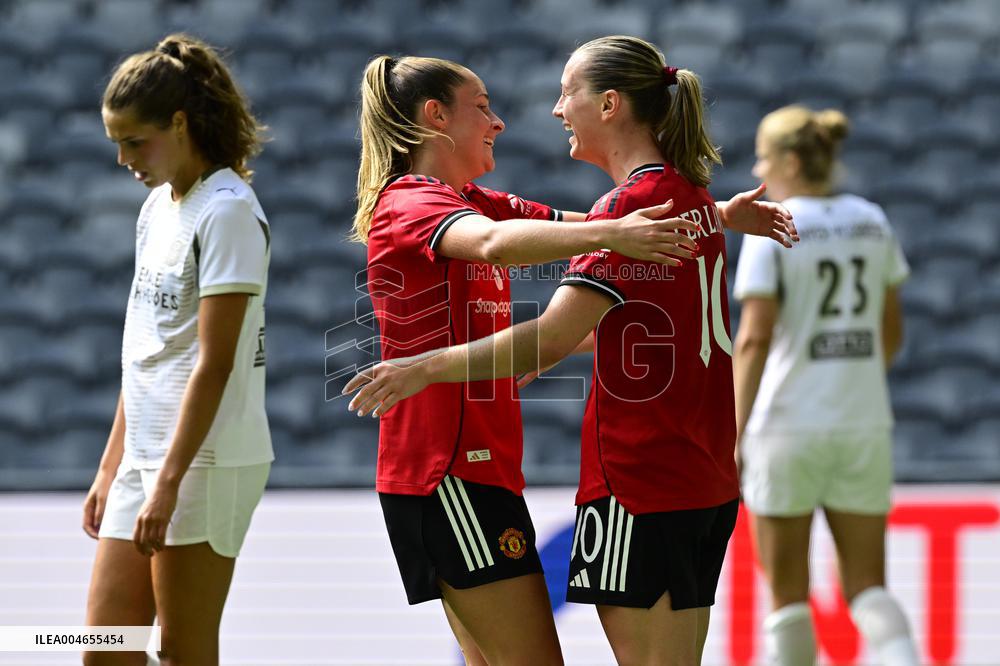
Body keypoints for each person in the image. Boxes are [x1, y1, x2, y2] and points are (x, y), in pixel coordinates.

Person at [345, 37, 796, 665]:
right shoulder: (413, 201)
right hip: (445, 470)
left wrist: (711, 214)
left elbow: (590, 226)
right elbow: (507, 244)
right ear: (435, 117)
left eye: (565, 95)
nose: (503, 120)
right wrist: (629, 224)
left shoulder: (473, 200)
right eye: (482, 106)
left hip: (491, 469)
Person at [81, 34, 271, 666]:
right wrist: (114, 465)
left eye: (136, 142)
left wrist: (168, 481)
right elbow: (146, 351)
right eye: (117, 145)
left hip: (206, 464)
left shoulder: (229, 212)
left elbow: (213, 364)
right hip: (145, 459)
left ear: (181, 123)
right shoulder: (155, 208)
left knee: (182, 651)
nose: (124, 159)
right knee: (105, 648)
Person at [731, 105, 919, 665]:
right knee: (869, 588)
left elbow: (753, 340)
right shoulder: (872, 220)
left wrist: (733, 434)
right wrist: (850, 381)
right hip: (863, 422)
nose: (758, 169)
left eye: (763, 158)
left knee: (787, 597)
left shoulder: (774, 225)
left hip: (786, 426)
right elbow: (891, 331)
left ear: (789, 160)